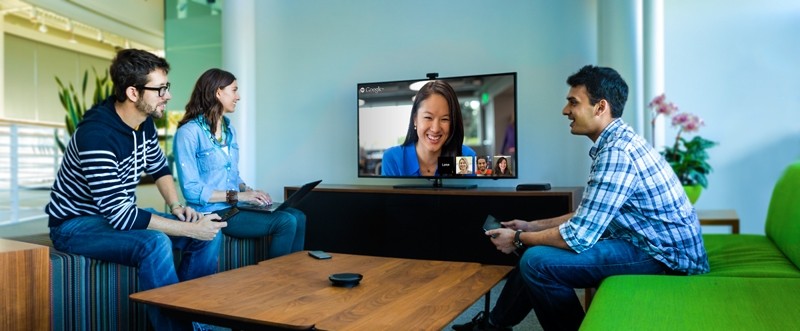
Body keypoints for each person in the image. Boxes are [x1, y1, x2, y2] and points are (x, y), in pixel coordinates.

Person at [453, 65, 709, 331]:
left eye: (573, 103)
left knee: (536, 261)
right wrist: (531, 227)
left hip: (666, 258)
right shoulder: (617, 142)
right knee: (535, 250)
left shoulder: (616, 153)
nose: (566, 111)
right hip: (651, 244)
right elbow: (590, 213)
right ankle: (493, 326)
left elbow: (578, 235)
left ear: (600, 107)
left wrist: (517, 238)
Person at [45, 49, 225, 331]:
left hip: (114, 216)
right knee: (154, 242)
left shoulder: (144, 124)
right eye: (161, 89)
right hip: (75, 226)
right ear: (133, 92)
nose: (168, 95)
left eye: (167, 87)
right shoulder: (97, 136)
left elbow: (160, 168)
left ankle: (198, 319)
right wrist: (190, 229)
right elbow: (121, 217)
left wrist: (177, 208)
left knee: (208, 232)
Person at [174, 68, 306, 258]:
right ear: (218, 92)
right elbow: (192, 191)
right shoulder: (189, 133)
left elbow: (233, 176)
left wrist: (251, 192)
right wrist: (242, 197)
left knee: (298, 216)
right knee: (285, 221)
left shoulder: (229, 129)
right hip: (211, 213)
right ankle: (278, 281)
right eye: (234, 90)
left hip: (234, 208)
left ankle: (295, 276)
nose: (239, 96)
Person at [381, 80, 476, 176]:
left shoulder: (466, 157)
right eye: (428, 117)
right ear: (415, 119)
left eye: (445, 119)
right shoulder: (393, 159)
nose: (435, 129)